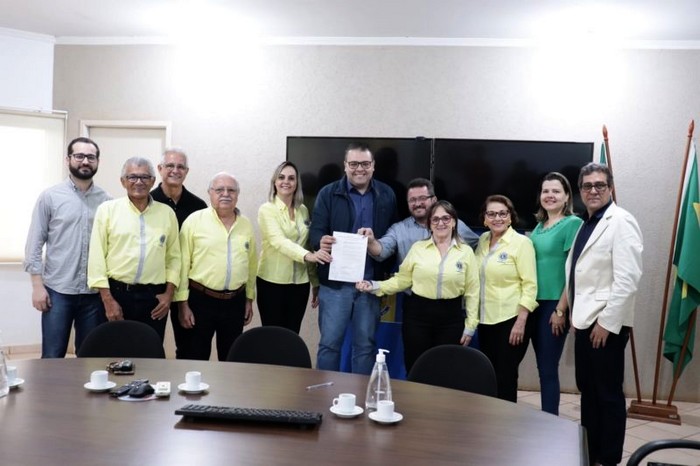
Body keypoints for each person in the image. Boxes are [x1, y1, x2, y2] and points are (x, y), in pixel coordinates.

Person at [565, 163, 643, 466]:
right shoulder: (586, 223)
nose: (593, 190)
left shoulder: (620, 221)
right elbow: (580, 275)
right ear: (580, 191)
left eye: (600, 185)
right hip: (585, 321)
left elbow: (628, 279)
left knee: (608, 395)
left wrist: (607, 324)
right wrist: (576, 316)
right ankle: (591, 452)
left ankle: (608, 459)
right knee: (588, 391)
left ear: (610, 188)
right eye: (587, 186)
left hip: (605, 324)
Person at [357, 201, 479, 372]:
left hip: (451, 318)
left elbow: (473, 291)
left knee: (446, 369)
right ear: (429, 224)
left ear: (453, 222)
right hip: (417, 317)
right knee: (416, 367)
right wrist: (374, 286)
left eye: (446, 218)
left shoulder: (466, 252)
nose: (441, 223)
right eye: (435, 219)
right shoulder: (418, 248)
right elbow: (402, 280)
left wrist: (471, 325)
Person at [309, 142, 399, 374]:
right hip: (335, 285)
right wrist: (320, 241)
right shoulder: (328, 193)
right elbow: (315, 231)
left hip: (368, 285)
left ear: (373, 166)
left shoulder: (387, 194)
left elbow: (393, 236)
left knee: (365, 348)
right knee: (329, 345)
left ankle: (360, 394)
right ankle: (325, 392)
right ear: (345, 165)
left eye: (365, 164)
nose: (360, 169)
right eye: (354, 164)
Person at [24, 137, 111, 358]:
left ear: (98, 161)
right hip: (58, 291)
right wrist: (37, 286)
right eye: (79, 156)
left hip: (93, 294)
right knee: (52, 356)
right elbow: (34, 243)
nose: (85, 161)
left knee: (90, 358)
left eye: (90, 157)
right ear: (68, 159)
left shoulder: (107, 201)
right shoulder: (50, 197)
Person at [87, 157, 181, 342]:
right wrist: (107, 300)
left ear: (153, 181)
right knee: (115, 351)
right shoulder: (107, 210)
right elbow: (96, 257)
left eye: (145, 177)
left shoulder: (167, 213)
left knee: (150, 350)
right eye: (132, 177)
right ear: (123, 181)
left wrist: (168, 295)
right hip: (116, 294)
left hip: (154, 298)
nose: (139, 182)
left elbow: (174, 258)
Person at [174, 172, 257, 361]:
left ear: (237, 194)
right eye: (219, 190)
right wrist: (182, 304)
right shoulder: (194, 221)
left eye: (231, 190)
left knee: (231, 359)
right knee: (196, 358)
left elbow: (251, 265)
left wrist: (249, 299)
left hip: (235, 302)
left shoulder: (245, 225)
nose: (225, 194)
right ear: (210, 193)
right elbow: (182, 264)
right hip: (200, 301)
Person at [529, 172, 583, 415]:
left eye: (556, 191)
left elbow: (574, 271)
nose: (549, 195)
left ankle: (549, 421)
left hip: (553, 305)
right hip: (532, 304)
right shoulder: (539, 227)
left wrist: (561, 310)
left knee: (547, 368)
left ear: (567, 196)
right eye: (545, 191)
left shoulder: (573, 224)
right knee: (540, 367)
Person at [475, 194, 537, 402]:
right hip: (485, 320)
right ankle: (490, 418)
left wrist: (521, 321)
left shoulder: (522, 243)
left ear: (511, 217)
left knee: (506, 377)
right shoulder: (483, 240)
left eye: (503, 213)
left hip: (511, 320)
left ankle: (506, 419)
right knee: (489, 375)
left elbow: (530, 285)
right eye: (491, 214)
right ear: (484, 218)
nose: (497, 218)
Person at [257, 162, 331, 333]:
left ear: (297, 183)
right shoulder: (267, 210)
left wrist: (315, 281)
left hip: (300, 285)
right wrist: (308, 256)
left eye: (291, 178)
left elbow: (307, 245)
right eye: (281, 177)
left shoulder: (303, 210)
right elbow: (278, 241)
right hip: (272, 283)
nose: (286, 182)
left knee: (292, 334)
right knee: (272, 335)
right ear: (274, 182)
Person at [151, 148, 207, 359]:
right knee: (150, 344)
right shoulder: (148, 201)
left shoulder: (198, 206)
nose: (175, 170)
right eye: (170, 166)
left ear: (187, 171)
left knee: (188, 347)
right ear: (160, 169)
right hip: (155, 285)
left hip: (187, 288)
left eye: (180, 167)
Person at [364, 178, 479, 263]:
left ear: (434, 200)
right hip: (411, 288)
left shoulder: (452, 224)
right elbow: (382, 251)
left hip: (447, 287)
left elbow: (479, 246)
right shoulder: (399, 229)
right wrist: (371, 241)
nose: (417, 203)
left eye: (422, 198)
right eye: (412, 200)